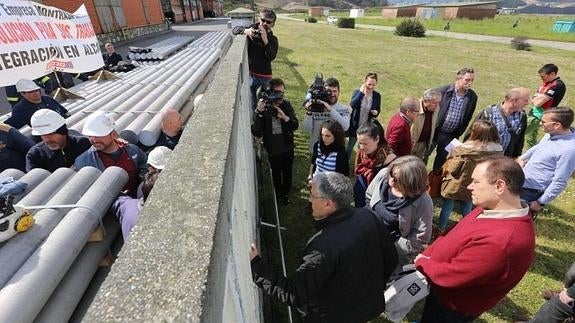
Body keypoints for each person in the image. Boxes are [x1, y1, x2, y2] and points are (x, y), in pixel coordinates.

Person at [249, 171, 398, 322]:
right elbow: (391, 259)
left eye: (312, 195)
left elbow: (294, 294)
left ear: (328, 203)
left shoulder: (322, 248)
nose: (309, 200)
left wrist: (257, 267)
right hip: (367, 308)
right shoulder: (368, 216)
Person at [415, 155, 536, 322]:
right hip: (439, 287)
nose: (470, 186)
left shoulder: (503, 242)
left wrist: (422, 262)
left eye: (476, 182)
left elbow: (455, 275)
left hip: (453, 305)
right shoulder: (493, 206)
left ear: (500, 186)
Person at [365, 155, 433, 267]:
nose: (391, 180)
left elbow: (420, 236)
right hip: (368, 236)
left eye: (397, 179)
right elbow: (368, 196)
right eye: (391, 174)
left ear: (411, 183)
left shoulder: (423, 202)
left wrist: (393, 248)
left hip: (391, 251)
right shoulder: (383, 174)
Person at [438, 120, 503, 232]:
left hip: (457, 181)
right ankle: (467, 230)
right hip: (478, 183)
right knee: (467, 207)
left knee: (448, 205)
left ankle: (440, 229)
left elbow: (450, 158)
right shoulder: (497, 150)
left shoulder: (463, 148)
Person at [74, 111, 147, 198]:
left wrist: (142, 180)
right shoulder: (83, 162)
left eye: (98, 135)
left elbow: (145, 164)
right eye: (90, 136)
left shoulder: (132, 150)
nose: (94, 140)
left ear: (112, 134)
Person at [517, 107, 575, 214]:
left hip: (531, 192)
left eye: (543, 122)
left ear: (557, 125)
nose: (540, 124)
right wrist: (522, 158)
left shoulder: (569, 150)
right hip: (521, 182)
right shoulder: (551, 133)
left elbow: (560, 181)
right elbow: (538, 147)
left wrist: (540, 202)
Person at [251, 78, 298, 205]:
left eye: (283, 92)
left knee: (287, 172)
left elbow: (294, 125)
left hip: (287, 147)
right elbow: (256, 131)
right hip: (273, 150)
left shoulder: (286, 105)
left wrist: (284, 117)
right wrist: (259, 113)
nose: (280, 96)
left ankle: (286, 192)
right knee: (276, 174)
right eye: (277, 92)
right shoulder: (264, 108)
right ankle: (278, 194)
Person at [431, 67, 478, 171]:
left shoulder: (472, 97)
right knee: (424, 156)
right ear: (458, 78)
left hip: (451, 135)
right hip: (434, 132)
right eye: (467, 80)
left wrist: (458, 133)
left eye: (472, 80)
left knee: (442, 162)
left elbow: (468, 117)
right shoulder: (442, 91)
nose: (470, 83)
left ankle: (433, 183)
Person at [232, 8, 278, 109]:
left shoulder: (273, 39)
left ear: (273, 24)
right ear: (259, 19)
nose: (265, 23)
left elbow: (271, 56)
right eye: (263, 20)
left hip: (265, 77)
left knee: (264, 104)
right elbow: (234, 30)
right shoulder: (253, 28)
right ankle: (256, 122)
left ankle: (263, 122)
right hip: (252, 75)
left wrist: (265, 40)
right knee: (254, 103)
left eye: (268, 22)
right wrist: (246, 31)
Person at [469, 87, 529, 158]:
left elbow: (520, 140)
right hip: (484, 159)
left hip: (503, 161)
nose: (527, 103)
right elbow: (471, 135)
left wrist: (515, 157)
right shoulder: (488, 114)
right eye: (525, 100)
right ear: (513, 101)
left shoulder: (522, 116)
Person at [26, 109, 91, 172]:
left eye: (50, 134)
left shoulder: (83, 144)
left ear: (63, 131)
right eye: (43, 135)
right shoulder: (35, 155)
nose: (47, 139)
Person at [302, 77, 350, 153]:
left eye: (335, 91)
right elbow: (306, 129)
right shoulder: (315, 107)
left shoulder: (343, 109)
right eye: (329, 91)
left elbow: (345, 127)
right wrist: (309, 113)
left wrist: (330, 110)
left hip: (336, 151)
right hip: (317, 149)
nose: (332, 94)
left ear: (339, 92)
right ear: (324, 91)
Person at [525, 63, 566, 148]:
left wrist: (536, 98)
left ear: (552, 74)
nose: (542, 78)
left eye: (543, 76)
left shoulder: (557, 85)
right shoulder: (547, 83)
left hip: (538, 116)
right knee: (530, 139)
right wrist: (537, 98)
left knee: (520, 132)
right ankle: (530, 158)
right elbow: (536, 97)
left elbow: (537, 103)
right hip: (534, 112)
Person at [354, 121, 392, 207]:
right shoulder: (362, 153)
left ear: (377, 139)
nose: (361, 147)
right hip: (359, 198)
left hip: (374, 203)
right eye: (360, 143)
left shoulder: (389, 160)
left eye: (365, 143)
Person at [4, 79, 68, 129]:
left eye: (37, 90)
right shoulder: (21, 109)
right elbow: (10, 125)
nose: (36, 93)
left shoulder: (48, 99)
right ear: (22, 94)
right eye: (31, 92)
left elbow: (65, 113)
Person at [346, 72, 381, 158]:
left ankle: (360, 164)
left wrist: (376, 112)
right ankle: (345, 163)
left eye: (373, 85)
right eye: (369, 84)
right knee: (350, 147)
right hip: (355, 126)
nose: (371, 87)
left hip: (366, 128)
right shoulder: (357, 92)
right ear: (365, 82)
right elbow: (353, 105)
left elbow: (378, 109)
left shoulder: (376, 95)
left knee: (363, 149)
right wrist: (361, 94)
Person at [308, 119, 349, 184]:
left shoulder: (341, 154)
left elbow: (344, 176)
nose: (324, 138)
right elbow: (313, 161)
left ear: (336, 136)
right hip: (315, 183)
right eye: (322, 135)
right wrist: (310, 176)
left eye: (327, 136)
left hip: (329, 189)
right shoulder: (317, 145)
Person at [411, 89, 442, 162]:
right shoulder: (414, 108)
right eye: (435, 103)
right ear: (425, 101)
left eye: (438, 102)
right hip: (411, 144)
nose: (437, 105)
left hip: (423, 144)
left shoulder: (436, 108)